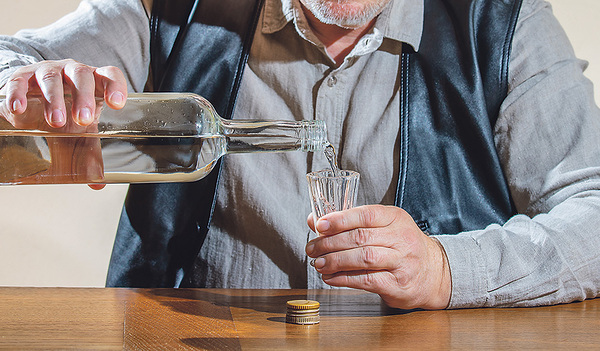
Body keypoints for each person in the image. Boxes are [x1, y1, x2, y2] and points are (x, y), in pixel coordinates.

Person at [1, 0, 599, 310]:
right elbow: (12, 60)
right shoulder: (172, 7)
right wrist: (20, 85)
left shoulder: (506, 26)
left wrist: (447, 269)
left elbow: (592, 217)